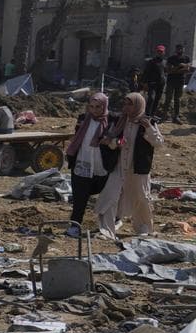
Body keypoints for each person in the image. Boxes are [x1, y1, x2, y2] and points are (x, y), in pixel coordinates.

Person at [96, 92, 163, 241]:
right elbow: (111, 141)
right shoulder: (120, 121)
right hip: (119, 166)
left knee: (141, 197)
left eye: (129, 104)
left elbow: (158, 143)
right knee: (110, 196)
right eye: (124, 104)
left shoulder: (148, 122)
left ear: (138, 105)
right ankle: (106, 230)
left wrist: (148, 129)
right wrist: (116, 143)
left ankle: (143, 228)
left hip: (138, 168)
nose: (125, 107)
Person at [65, 93, 113, 238]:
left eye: (98, 107)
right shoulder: (83, 119)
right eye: (91, 107)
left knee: (107, 198)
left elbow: (117, 140)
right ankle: (75, 225)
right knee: (79, 198)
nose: (94, 110)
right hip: (82, 163)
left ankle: (107, 226)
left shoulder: (111, 121)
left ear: (104, 106)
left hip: (102, 166)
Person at [165, 44, 192, 123]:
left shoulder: (186, 58)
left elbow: (187, 70)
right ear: (176, 50)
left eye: (181, 49)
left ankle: (176, 117)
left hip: (180, 81)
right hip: (171, 81)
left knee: (177, 99)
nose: (180, 50)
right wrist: (180, 66)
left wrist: (175, 69)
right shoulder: (171, 58)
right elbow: (168, 71)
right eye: (178, 49)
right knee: (168, 98)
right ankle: (165, 115)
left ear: (183, 50)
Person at [143, 46, 166, 117]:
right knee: (151, 98)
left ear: (164, 52)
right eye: (158, 51)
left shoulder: (165, 62)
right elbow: (146, 72)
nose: (160, 53)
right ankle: (147, 114)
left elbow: (165, 72)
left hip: (161, 83)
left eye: (161, 52)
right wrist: (145, 83)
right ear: (156, 52)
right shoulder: (151, 61)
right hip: (152, 83)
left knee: (157, 99)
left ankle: (152, 115)